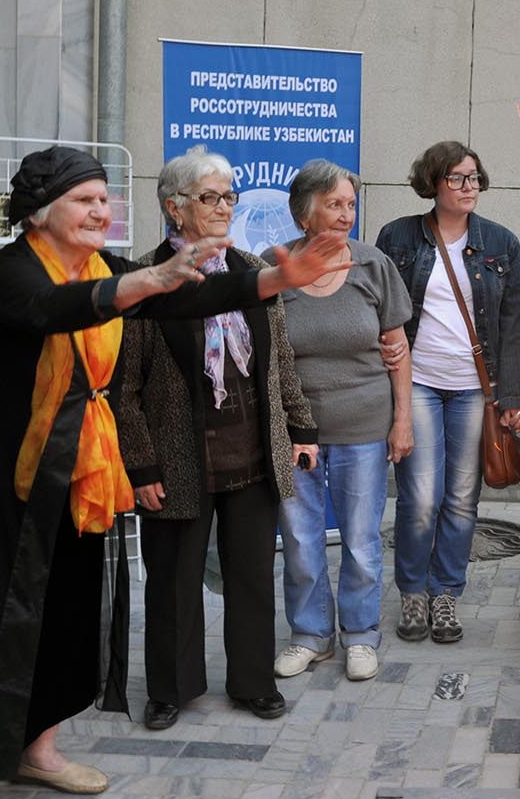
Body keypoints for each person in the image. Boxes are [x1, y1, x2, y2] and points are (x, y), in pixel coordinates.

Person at [0, 147, 347, 799]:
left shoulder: (105, 268)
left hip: (69, 469)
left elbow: (188, 299)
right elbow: (60, 307)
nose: (101, 209)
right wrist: (153, 280)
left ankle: (39, 752)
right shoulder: (9, 272)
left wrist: (272, 281)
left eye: (105, 198)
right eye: (84, 199)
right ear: (39, 213)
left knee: (66, 613)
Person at [117, 148, 320, 731]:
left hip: (251, 448)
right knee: (174, 580)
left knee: (252, 576)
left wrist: (301, 428)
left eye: (229, 196)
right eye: (210, 197)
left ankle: (253, 682)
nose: (225, 207)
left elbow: (280, 360)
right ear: (174, 208)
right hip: (177, 459)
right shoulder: (147, 277)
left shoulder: (251, 268)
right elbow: (124, 388)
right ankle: (170, 689)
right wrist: (141, 466)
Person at [375, 141, 520, 645]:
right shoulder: (398, 237)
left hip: (474, 390)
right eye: (458, 178)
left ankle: (445, 592)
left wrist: (516, 397)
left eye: (475, 177)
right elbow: (382, 313)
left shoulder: (501, 244)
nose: (470, 187)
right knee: (421, 497)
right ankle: (413, 592)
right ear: (433, 182)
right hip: (417, 381)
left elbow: (514, 324)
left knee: (462, 498)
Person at [267, 160, 413, 684]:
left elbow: (398, 348)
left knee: (360, 539)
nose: (346, 214)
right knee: (300, 539)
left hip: (364, 426)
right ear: (304, 213)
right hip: (294, 433)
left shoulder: (373, 265)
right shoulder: (277, 269)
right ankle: (310, 636)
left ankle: (360, 634)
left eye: (350, 204)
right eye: (333, 204)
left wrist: (403, 420)